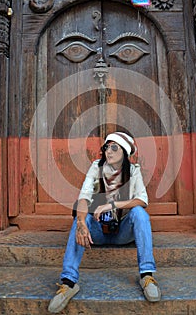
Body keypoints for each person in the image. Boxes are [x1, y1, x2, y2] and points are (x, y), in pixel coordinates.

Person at [48, 131, 161, 313]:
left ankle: (147, 276)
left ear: (124, 152)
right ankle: (68, 283)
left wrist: (112, 205)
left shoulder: (133, 171)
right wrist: (82, 222)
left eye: (114, 148)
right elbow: (83, 198)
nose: (108, 151)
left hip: (123, 233)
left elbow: (142, 200)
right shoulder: (96, 167)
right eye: (106, 147)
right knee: (80, 218)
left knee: (139, 213)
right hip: (97, 232)